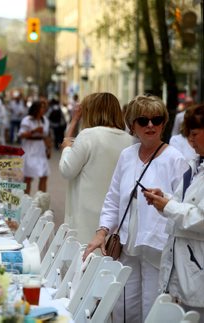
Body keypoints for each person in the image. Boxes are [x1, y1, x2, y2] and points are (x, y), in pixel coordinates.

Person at [83, 95, 188, 322]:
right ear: (132, 126)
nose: (150, 125)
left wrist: (166, 201)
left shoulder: (175, 159)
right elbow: (113, 199)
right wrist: (101, 231)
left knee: (151, 310)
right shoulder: (127, 156)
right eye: (143, 120)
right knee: (124, 309)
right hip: (126, 247)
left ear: (163, 123)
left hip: (157, 249)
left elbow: (185, 207)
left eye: (157, 119)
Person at [143, 103, 204, 319]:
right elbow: (182, 202)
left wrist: (168, 206)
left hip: (197, 268)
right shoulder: (194, 166)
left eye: (195, 134)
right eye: (189, 134)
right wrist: (164, 198)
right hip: (181, 265)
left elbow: (200, 218)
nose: (191, 140)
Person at [59, 93, 133, 244]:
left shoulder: (88, 136)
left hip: (85, 213)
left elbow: (67, 170)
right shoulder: (129, 140)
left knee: (84, 259)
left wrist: (67, 148)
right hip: (113, 214)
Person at [18, 101, 51, 194]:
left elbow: (46, 136)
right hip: (29, 148)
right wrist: (33, 131)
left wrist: (49, 149)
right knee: (28, 177)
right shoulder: (27, 120)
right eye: (42, 107)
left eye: (45, 107)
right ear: (36, 109)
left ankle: (41, 201)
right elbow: (21, 135)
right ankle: (26, 199)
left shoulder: (45, 120)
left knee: (44, 175)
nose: (44, 109)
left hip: (41, 149)